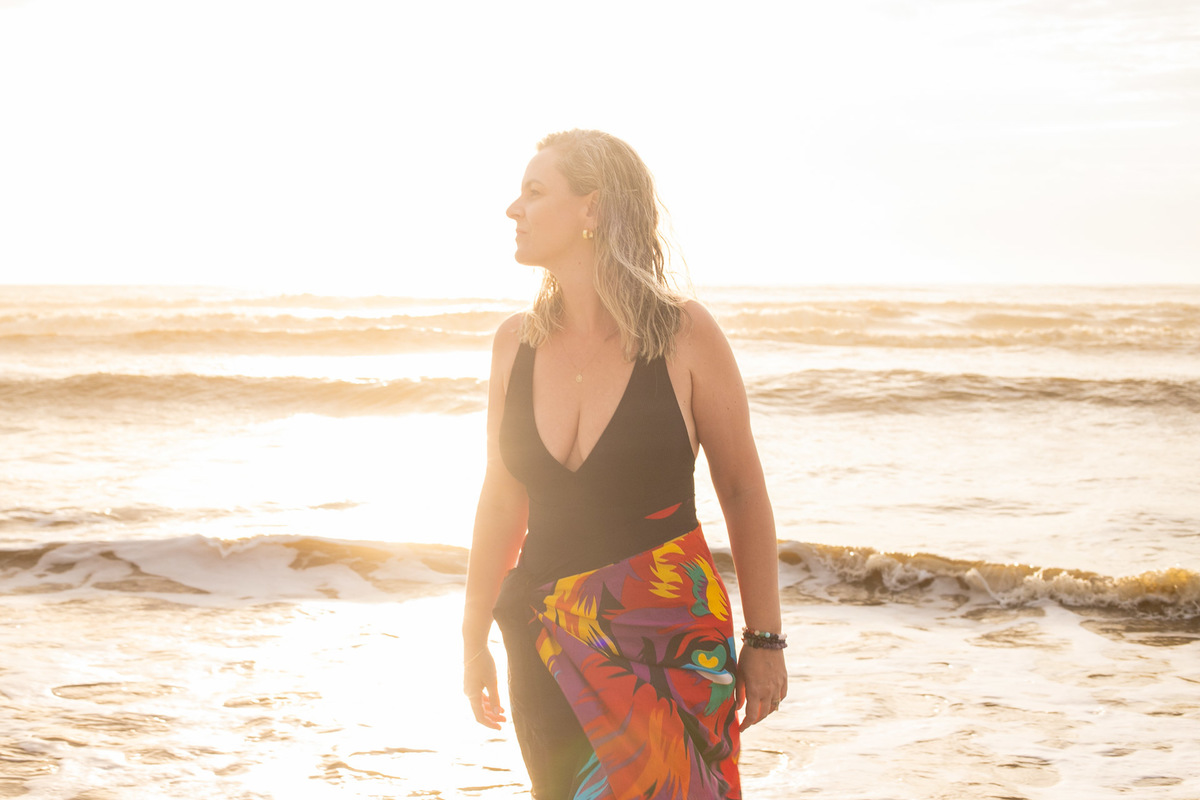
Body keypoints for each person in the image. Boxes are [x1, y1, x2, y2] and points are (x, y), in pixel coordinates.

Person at [462, 129, 786, 800]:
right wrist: (473, 638)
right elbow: (501, 500)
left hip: (670, 645)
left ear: (592, 208)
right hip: (544, 637)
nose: (513, 209)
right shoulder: (513, 345)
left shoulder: (684, 334)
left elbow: (741, 490)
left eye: (534, 191)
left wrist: (766, 639)